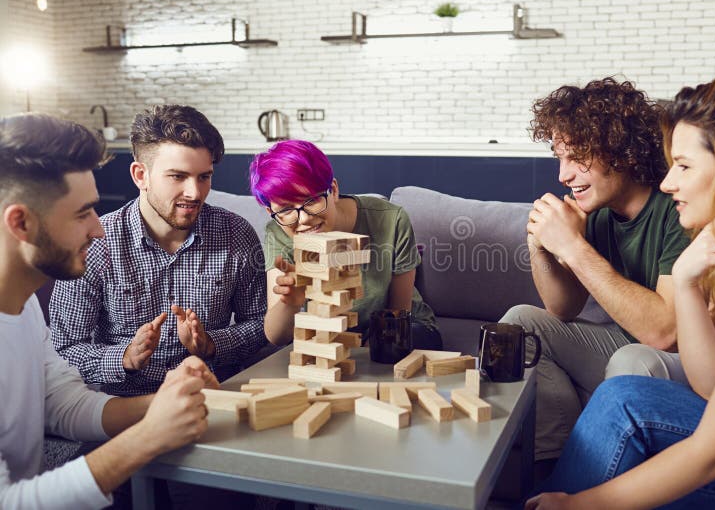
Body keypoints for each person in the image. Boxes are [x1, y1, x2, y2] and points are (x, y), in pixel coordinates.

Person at [528, 76, 715, 509]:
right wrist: (687, 281)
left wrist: (582, 505)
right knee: (623, 399)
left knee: (640, 475)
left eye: (684, 167)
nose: (669, 182)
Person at [0, 113, 216, 509]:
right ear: (21, 222)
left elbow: (62, 403)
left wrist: (168, 402)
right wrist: (148, 435)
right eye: (82, 213)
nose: (99, 230)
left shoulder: (22, 304)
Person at [500, 77, 691, 470]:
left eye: (576, 158)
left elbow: (665, 333)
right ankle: (554, 462)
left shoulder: (679, 207)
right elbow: (563, 308)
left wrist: (573, 246)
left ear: (622, 150)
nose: (563, 175)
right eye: (559, 158)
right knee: (521, 324)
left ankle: (595, 483)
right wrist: (541, 245)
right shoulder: (599, 213)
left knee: (632, 360)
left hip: (683, 360)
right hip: (624, 346)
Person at [48, 105, 268, 397]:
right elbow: (63, 349)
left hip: (216, 398)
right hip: (126, 406)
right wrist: (125, 358)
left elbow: (260, 324)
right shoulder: (96, 243)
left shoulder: (236, 233)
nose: (195, 192)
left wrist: (211, 344)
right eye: (177, 176)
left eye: (204, 177)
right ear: (141, 175)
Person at [249, 139, 441, 349]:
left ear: (333, 190)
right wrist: (291, 304)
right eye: (286, 210)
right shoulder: (278, 233)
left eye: (311, 201)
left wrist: (362, 350)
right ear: (271, 211)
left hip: (400, 328)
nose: (303, 219)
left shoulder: (391, 220)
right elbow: (277, 337)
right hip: (330, 337)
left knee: (387, 348)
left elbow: (397, 316)